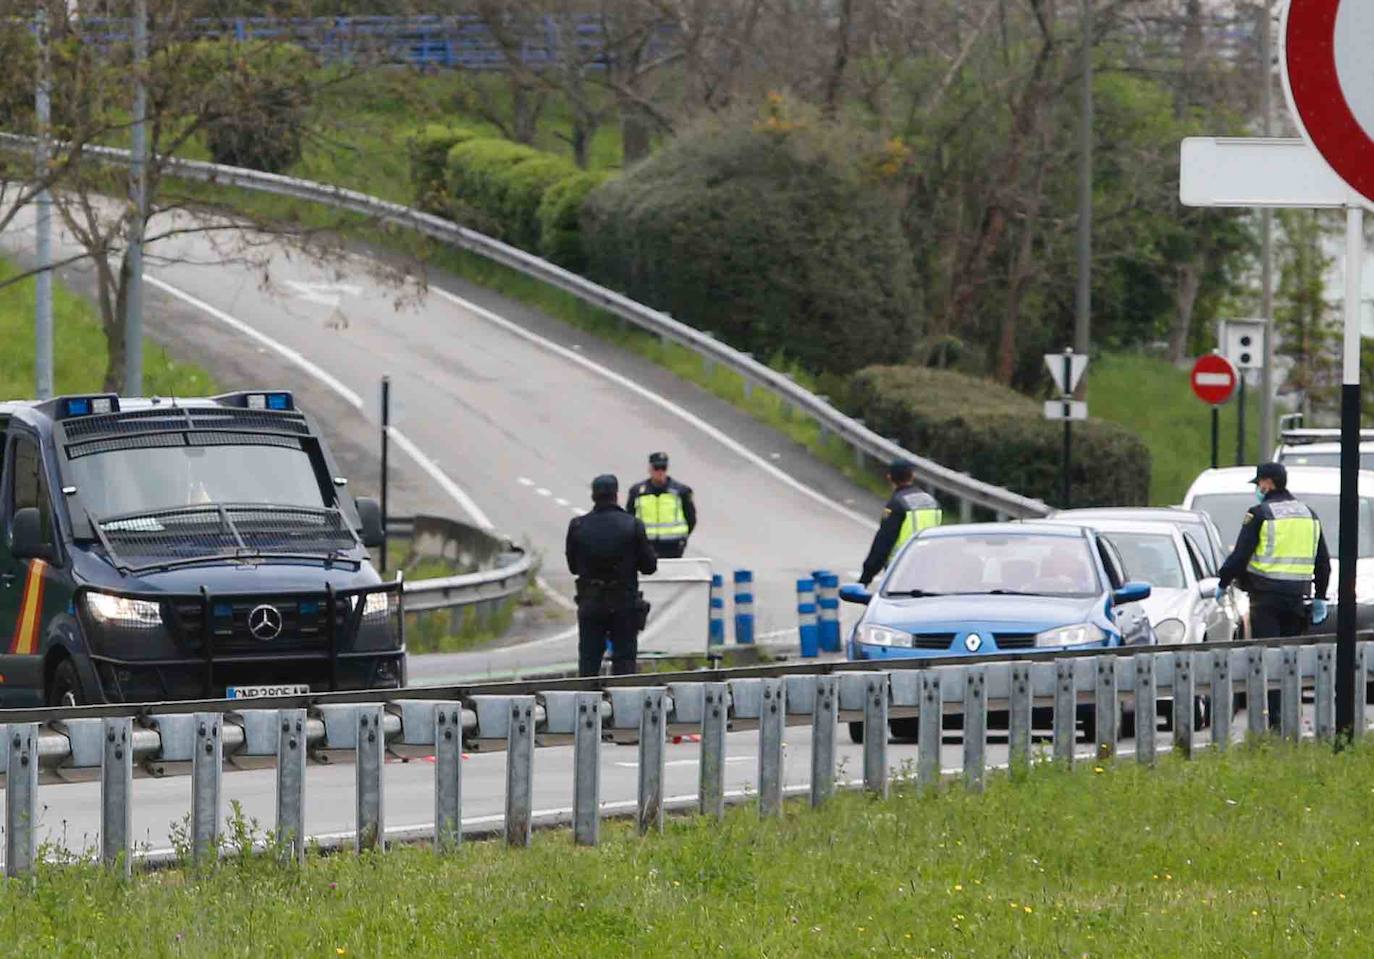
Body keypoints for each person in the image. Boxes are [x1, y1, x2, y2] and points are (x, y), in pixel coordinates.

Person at [1217, 461, 1331, 638]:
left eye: (1259, 483)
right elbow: (1322, 561)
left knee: (1267, 653)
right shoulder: (1308, 514)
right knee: (1291, 656)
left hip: (1265, 599)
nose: (1258, 488)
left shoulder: (1260, 514)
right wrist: (1320, 596)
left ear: (1268, 483)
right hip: (1296, 598)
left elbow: (1240, 555)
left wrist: (1224, 582)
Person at [566, 474, 658, 677]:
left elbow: (573, 566)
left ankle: (587, 704)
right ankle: (624, 705)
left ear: (593, 496)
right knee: (625, 661)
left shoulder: (578, 526)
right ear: (616, 495)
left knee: (589, 661)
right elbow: (649, 566)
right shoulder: (632, 525)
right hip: (623, 601)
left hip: (591, 600)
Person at [859, 459, 943, 587]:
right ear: (912, 476)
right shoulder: (932, 502)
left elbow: (883, 544)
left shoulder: (897, 504)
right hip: (930, 570)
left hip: (900, 571)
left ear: (889, 478)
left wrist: (865, 578)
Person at [626, 451, 696, 559]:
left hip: (673, 545)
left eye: (663, 468)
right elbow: (629, 518)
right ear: (650, 469)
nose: (660, 472)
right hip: (646, 544)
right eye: (656, 468)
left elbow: (691, 518)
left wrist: (682, 538)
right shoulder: (638, 492)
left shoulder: (681, 491)